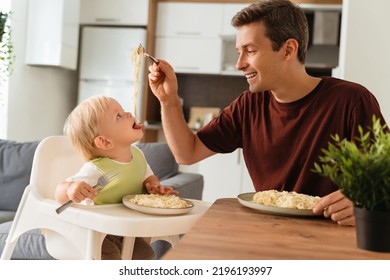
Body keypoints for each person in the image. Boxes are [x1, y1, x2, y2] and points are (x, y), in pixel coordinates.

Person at [148, 0, 388, 227]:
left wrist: (361, 200)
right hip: (268, 230)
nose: (239, 63)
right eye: (238, 51)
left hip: (331, 235)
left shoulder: (351, 101)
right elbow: (186, 152)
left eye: (250, 50)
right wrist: (168, 101)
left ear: (288, 50)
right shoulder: (248, 106)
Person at [55, 95, 178, 260]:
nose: (128, 114)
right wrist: (71, 190)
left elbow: (148, 176)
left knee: (147, 255)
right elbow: (60, 192)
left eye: (123, 111)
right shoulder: (97, 168)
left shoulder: (138, 155)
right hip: (99, 232)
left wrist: (155, 187)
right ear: (105, 142)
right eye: (118, 116)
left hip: (126, 229)